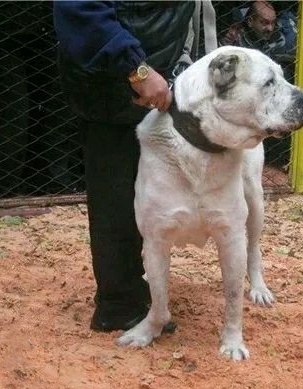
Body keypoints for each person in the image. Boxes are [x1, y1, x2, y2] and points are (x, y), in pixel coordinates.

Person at [53, 1, 198, 332]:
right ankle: (118, 303)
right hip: (116, 83)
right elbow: (81, 11)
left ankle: (131, 287)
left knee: (138, 186)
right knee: (115, 190)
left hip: (148, 73)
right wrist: (137, 69)